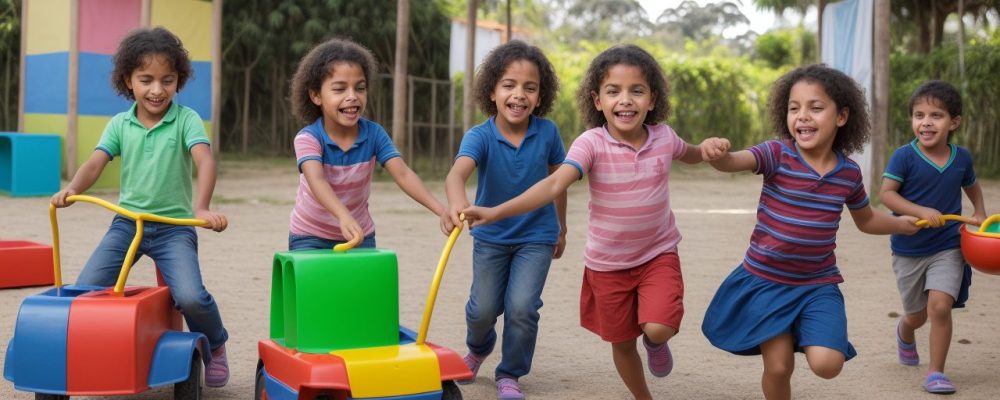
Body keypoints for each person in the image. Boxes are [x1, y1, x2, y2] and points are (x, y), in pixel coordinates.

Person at [461, 44, 729, 400]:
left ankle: (652, 342)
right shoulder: (590, 143)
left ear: (652, 99)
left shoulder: (664, 137)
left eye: (637, 91)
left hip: (657, 253)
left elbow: (692, 153)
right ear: (597, 100)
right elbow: (555, 182)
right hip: (607, 264)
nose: (626, 100)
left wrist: (709, 148)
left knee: (659, 327)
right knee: (619, 341)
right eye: (613, 91)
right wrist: (495, 211)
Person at [700, 64, 921, 400]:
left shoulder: (848, 173)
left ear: (842, 117)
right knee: (778, 368)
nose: (802, 116)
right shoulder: (776, 154)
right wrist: (718, 153)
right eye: (794, 108)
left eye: (815, 108)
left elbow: (867, 219)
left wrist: (901, 224)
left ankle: (801, 323)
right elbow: (734, 161)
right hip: (767, 283)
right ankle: (784, 329)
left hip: (817, 284)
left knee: (828, 365)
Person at [50, 27, 232, 387]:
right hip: (127, 225)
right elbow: (95, 163)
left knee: (191, 297)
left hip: (174, 228)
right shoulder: (120, 124)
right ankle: (92, 351)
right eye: (146, 79)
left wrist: (203, 206)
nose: (157, 89)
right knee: (84, 291)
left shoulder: (186, 120)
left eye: (167, 80)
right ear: (127, 81)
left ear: (178, 80)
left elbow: (205, 160)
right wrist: (71, 188)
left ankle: (216, 342)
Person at [442, 40, 567, 400]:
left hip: (537, 237)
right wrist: (458, 204)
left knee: (522, 307)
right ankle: (478, 347)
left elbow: (559, 182)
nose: (519, 95)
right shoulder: (479, 136)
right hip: (491, 237)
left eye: (530, 87)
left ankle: (510, 372)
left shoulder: (548, 133)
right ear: (492, 91)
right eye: (509, 85)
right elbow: (455, 176)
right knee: (482, 309)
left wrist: (562, 227)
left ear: (541, 95)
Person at [288, 38, 450, 251]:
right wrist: (343, 216)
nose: (352, 97)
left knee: (362, 286)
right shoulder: (308, 139)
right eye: (339, 89)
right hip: (310, 236)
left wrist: (441, 210)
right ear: (316, 95)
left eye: (360, 88)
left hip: (360, 235)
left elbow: (403, 174)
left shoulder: (374, 134)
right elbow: (317, 181)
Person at [879, 80, 987, 395]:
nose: (925, 122)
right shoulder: (904, 157)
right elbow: (887, 195)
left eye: (936, 115)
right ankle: (904, 330)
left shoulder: (962, 157)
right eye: (919, 115)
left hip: (949, 245)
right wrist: (919, 210)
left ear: (954, 122)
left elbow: (972, 184)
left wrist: (979, 210)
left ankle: (936, 372)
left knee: (939, 307)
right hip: (908, 249)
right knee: (917, 314)